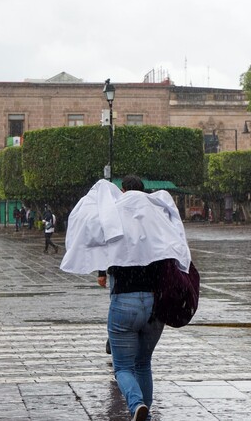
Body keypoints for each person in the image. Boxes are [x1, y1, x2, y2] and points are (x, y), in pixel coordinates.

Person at [62, 175, 191, 421]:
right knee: (144, 363)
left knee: (123, 367)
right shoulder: (157, 220)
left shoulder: (116, 219)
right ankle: (146, 413)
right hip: (155, 304)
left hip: (125, 302)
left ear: (123, 191)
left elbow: (93, 236)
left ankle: (136, 405)